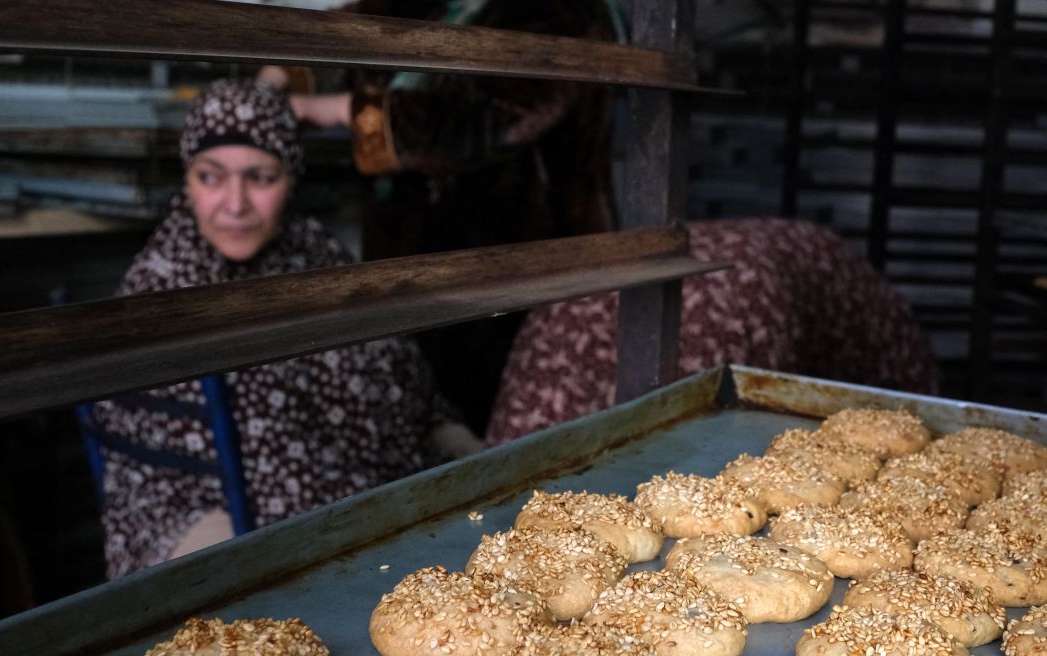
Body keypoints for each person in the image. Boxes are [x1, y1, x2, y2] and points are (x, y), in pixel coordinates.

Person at [94, 79, 457, 579]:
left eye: (260, 177)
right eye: (210, 177)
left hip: (365, 495)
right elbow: (242, 472)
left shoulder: (314, 254)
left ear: (292, 178)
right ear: (187, 179)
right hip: (231, 524)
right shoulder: (165, 287)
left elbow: (399, 368)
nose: (235, 204)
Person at [272, 0, 620, 437]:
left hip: (522, 265)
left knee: (506, 431)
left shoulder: (564, 15)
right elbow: (346, 33)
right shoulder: (441, 5)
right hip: (419, 262)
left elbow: (492, 121)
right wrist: (280, 74)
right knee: (425, 415)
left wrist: (346, 110)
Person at [485, 218, 940, 444]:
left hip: (752, 292)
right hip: (720, 291)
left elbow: (763, 416)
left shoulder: (742, 314)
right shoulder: (557, 347)